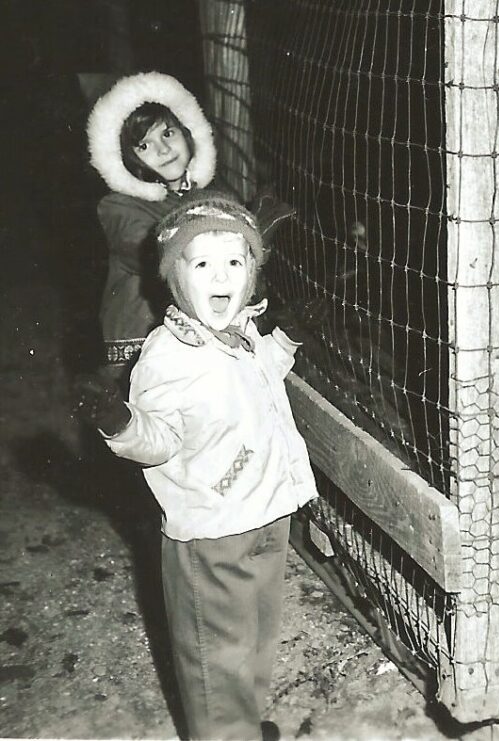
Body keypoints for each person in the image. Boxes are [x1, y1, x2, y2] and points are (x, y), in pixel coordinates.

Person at [74, 193, 317, 741]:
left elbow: (262, 377)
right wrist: (121, 423)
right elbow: (157, 440)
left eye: (235, 261)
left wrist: (288, 338)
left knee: (256, 634)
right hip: (212, 530)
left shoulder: (244, 332)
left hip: (268, 510)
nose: (220, 276)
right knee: (216, 653)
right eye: (201, 262)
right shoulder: (168, 355)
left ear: (252, 273)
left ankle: (244, 725)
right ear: (174, 276)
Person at [86, 71, 217, 382]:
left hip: (197, 328)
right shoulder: (120, 206)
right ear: (126, 159)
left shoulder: (212, 194)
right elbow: (144, 249)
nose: (162, 150)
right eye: (144, 145)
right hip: (141, 331)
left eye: (167, 134)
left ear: (189, 132)